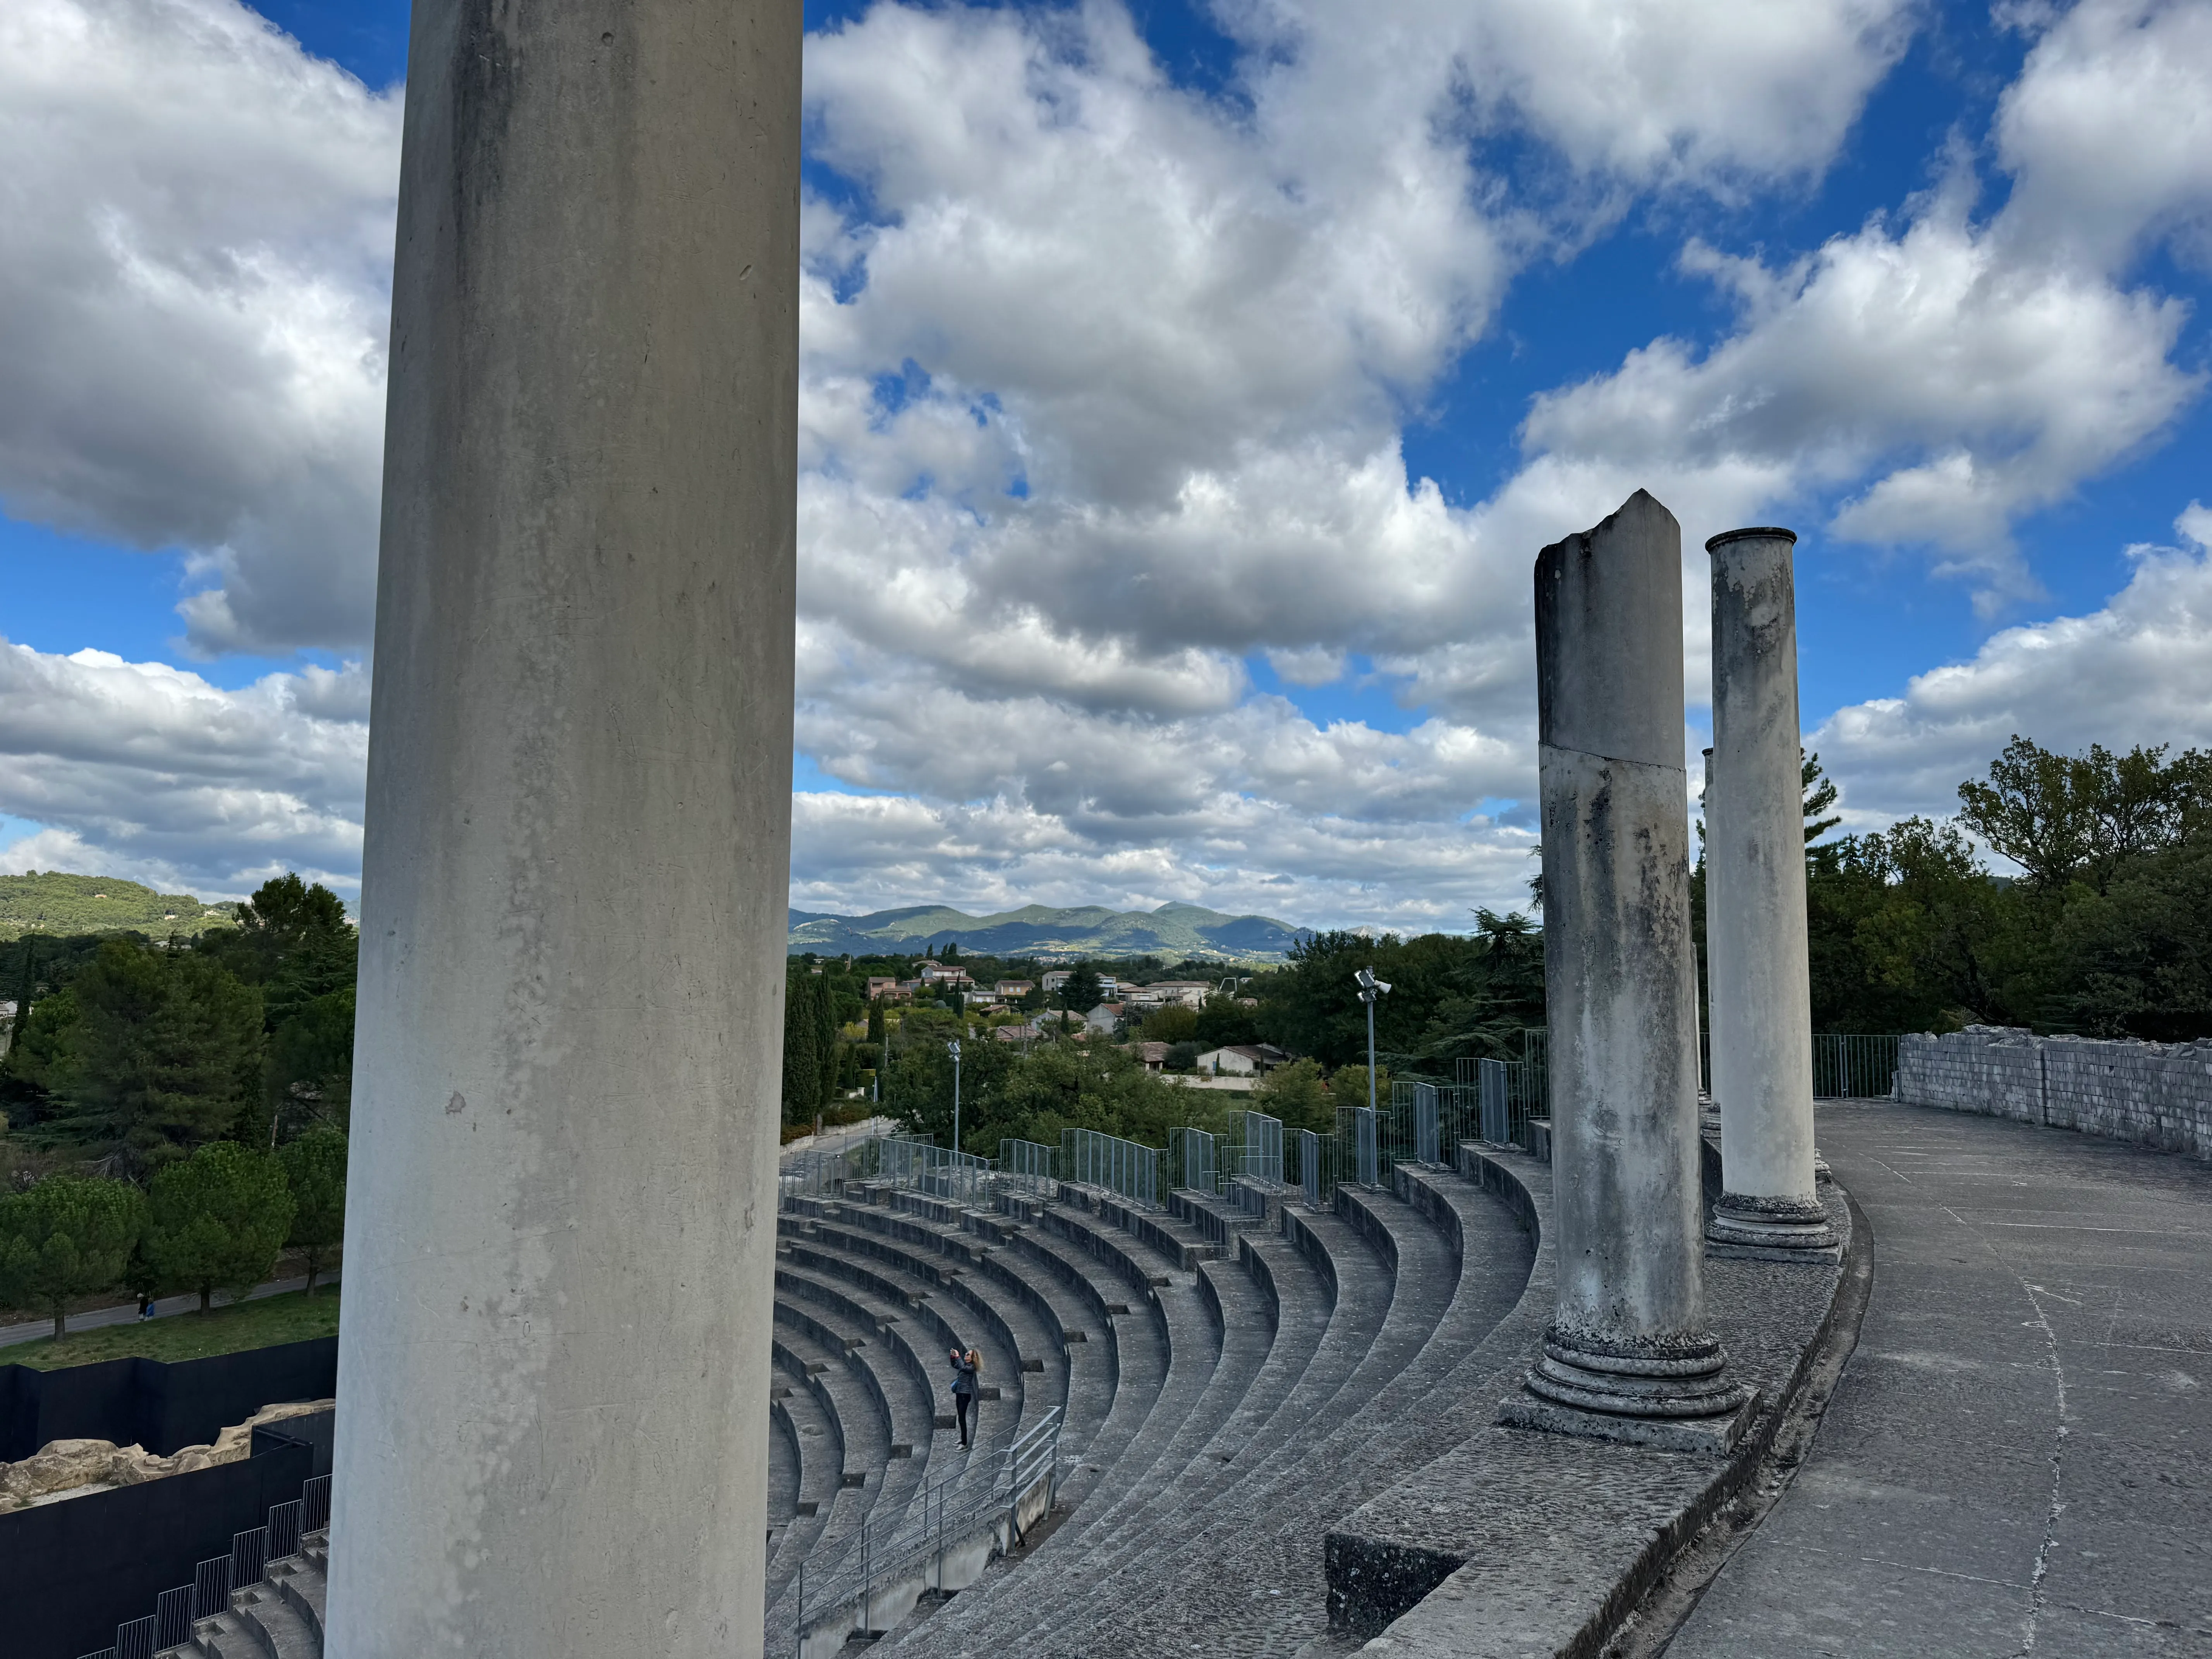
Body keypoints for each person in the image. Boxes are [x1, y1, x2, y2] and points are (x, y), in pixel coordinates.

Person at [949, 1345, 979, 1449]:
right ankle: (962, 1438)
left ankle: (965, 1443)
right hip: (959, 1394)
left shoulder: (971, 1367)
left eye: (968, 1355)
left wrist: (958, 1357)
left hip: (964, 1396)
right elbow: (955, 1365)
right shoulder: (966, 1365)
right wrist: (953, 1357)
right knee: (960, 1418)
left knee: (962, 1418)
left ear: (972, 1358)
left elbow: (962, 1367)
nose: (965, 1355)